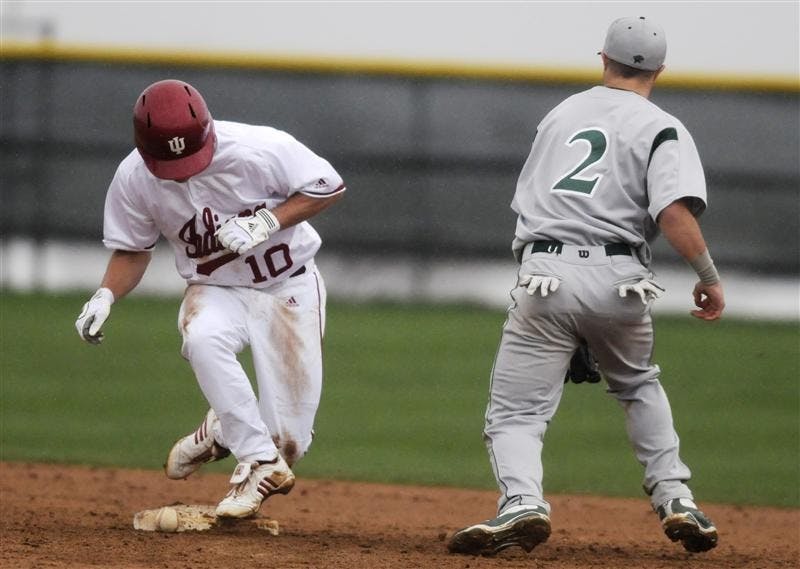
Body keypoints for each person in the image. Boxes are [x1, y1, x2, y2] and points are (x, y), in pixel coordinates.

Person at [447, 16, 724, 556]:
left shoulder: (560, 115)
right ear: (660, 70)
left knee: (517, 414)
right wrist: (708, 278)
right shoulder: (663, 126)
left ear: (603, 59)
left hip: (545, 275)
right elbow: (673, 214)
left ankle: (523, 503)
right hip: (621, 281)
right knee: (638, 385)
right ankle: (677, 499)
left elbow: (531, 203)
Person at [75, 79, 345, 518]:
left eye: (190, 155)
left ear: (208, 131)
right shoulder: (134, 177)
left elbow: (329, 185)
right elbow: (132, 249)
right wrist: (105, 294)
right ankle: (256, 462)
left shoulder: (259, 148)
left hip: (288, 285)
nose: (182, 168)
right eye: (169, 159)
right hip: (217, 288)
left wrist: (268, 222)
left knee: (292, 441)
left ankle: (220, 431)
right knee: (201, 337)